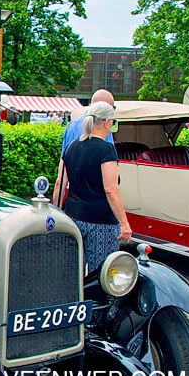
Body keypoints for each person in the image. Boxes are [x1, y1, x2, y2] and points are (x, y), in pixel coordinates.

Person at [59, 101, 132, 274]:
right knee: (101, 271)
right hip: (101, 221)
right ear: (107, 122)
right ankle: (99, 301)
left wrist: (57, 211)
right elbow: (111, 189)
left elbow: (59, 184)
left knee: (72, 269)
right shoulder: (106, 150)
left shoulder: (72, 147)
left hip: (73, 215)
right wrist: (124, 223)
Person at [53, 89, 115, 206]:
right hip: (97, 204)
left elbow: (60, 181)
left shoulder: (71, 127)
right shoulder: (105, 130)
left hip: (74, 202)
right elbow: (110, 187)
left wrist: (57, 209)